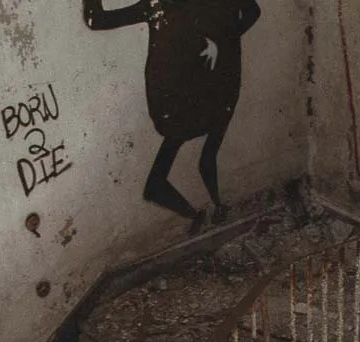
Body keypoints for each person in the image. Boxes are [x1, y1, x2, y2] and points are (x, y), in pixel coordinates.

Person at [83, 0, 261, 227]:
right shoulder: (160, 6)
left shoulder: (160, 6)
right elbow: (252, 12)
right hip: (202, 97)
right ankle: (211, 209)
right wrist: (223, 41)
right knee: (204, 157)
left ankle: (208, 211)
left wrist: (220, 41)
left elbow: (96, 20)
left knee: (194, 162)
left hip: (197, 99)